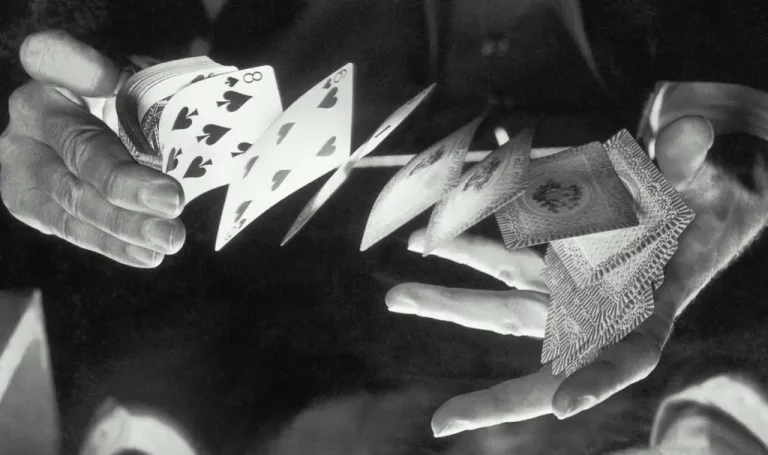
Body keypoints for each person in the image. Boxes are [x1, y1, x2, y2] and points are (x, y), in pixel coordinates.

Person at [2, 0, 768, 448]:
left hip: (655, 316)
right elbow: (92, 40)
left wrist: (733, 165)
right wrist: (69, 94)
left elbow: (732, 102)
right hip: (289, 302)